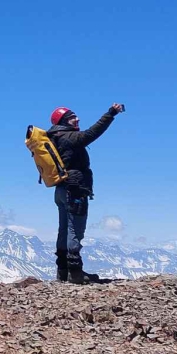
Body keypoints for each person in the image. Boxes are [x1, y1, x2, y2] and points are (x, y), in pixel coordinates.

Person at [47, 103, 125, 283]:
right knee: (75, 230)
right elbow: (92, 133)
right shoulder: (68, 137)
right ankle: (75, 273)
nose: (77, 119)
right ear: (63, 121)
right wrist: (111, 113)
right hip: (74, 190)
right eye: (72, 117)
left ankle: (63, 271)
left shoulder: (54, 138)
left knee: (64, 229)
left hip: (61, 189)